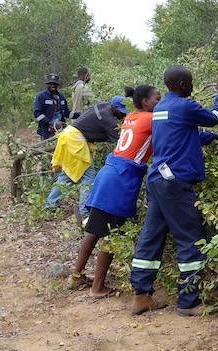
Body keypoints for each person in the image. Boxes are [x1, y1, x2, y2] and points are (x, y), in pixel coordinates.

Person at [129, 65, 218, 317]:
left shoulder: (160, 109)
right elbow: (215, 117)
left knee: (151, 237)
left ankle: (141, 296)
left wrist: (212, 138)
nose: (192, 86)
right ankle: (189, 302)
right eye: (189, 82)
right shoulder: (185, 106)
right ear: (180, 85)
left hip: (157, 180)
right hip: (176, 184)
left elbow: (180, 135)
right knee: (190, 238)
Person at [66, 85, 161, 297]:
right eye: (157, 98)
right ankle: (97, 288)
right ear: (146, 102)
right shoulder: (150, 119)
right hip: (121, 180)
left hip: (109, 173)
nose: (161, 102)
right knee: (111, 233)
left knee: (94, 229)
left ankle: (76, 275)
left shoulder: (132, 117)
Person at [44, 95, 129, 219]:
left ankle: (50, 205)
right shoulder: (108, 119)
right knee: (88, 176)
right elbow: (120, 141)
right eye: (122, 112)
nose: (124, 115)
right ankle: (84, 212)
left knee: (66, 174)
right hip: (75, 140)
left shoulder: (104, 106)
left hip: (70, 136)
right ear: (115, 108)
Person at [33, 73, 80, 140]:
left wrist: (80, 115)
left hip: (61, 130)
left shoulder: (61, 97)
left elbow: (67, 113)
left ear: (58, 85)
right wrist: (51, 123)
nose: (53, 85)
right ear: (47, 84)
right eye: (50, 83)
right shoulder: (41, 96)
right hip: (47, 131)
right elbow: (37, 113)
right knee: (47, 149)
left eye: (55, 84)